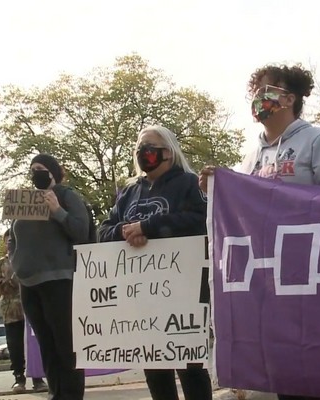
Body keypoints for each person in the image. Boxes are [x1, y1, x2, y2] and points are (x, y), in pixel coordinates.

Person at [200, 63, 320, 400]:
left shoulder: (318, 141)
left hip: (309, 278)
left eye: (267, 91)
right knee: (281, 374)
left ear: (289, 97)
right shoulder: (250, 157)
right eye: (255, 93)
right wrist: (218, 190)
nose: (258, 99)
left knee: (315, 374)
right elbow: (241, 213)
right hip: (267, 285)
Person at [98, 125, 213, 400]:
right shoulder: (129, 193)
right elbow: (103, 231)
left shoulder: (189, 183)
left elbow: (203, 220)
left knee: (190, 367)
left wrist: (150, 226)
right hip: (142, 297)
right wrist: (126, 231)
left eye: (151, 148)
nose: (144, 154)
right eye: (140, 148)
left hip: (183, 292)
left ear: (169, 153)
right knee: (155, 370)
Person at [8, 153, 88, 400]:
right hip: (29, 283)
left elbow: (82, 231)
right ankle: (57, 393)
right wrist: (14, 261)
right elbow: (12, 237)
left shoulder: (67, 196)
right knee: (46, 345)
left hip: (59, 280)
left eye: (41, 168)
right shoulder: (25, 202)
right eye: (32, 169)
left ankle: (72, 395)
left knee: (66, 345)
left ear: (53, 172)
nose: (36, 173)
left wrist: (57, 211)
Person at [0, 229, 47, 394]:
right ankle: (19, 379)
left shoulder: (29, 258)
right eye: (7, 240)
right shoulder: (2, 263)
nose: (10, 242)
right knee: (15, 347)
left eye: (12, 239)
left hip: (30, 311)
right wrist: (8, 282)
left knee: (34, 346)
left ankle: (38, 378)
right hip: (11, 312)